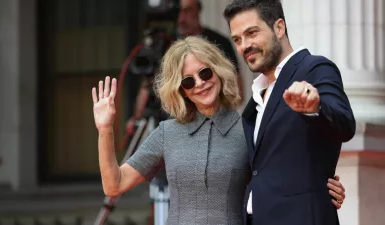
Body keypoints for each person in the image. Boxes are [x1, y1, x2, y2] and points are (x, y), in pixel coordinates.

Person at [92, 36, 346, 225]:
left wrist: (325, 188)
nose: (200, 84)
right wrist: (105, 130)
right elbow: (114, 185)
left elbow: (285, 177)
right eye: (189, 81)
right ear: (180, 90)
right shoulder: (167, 132)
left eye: (205, 73)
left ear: (219, 70)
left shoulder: (250, 127)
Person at [223, 0, 356, 225]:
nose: (244, 45)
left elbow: (344, 123)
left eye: (252, 33)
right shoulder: (257, 96)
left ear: (279, 27)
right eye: (237, 39)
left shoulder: (314, 68)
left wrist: (316, 108)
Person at [125, 0, 244, 136]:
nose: (182, 17)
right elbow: (146, 84)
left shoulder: (219, 42)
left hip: (211, 126)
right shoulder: (163, 43)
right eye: (178, 11)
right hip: (168, 123)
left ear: (198, 11)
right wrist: (137, 118)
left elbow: (238, 93)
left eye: (188, 10)